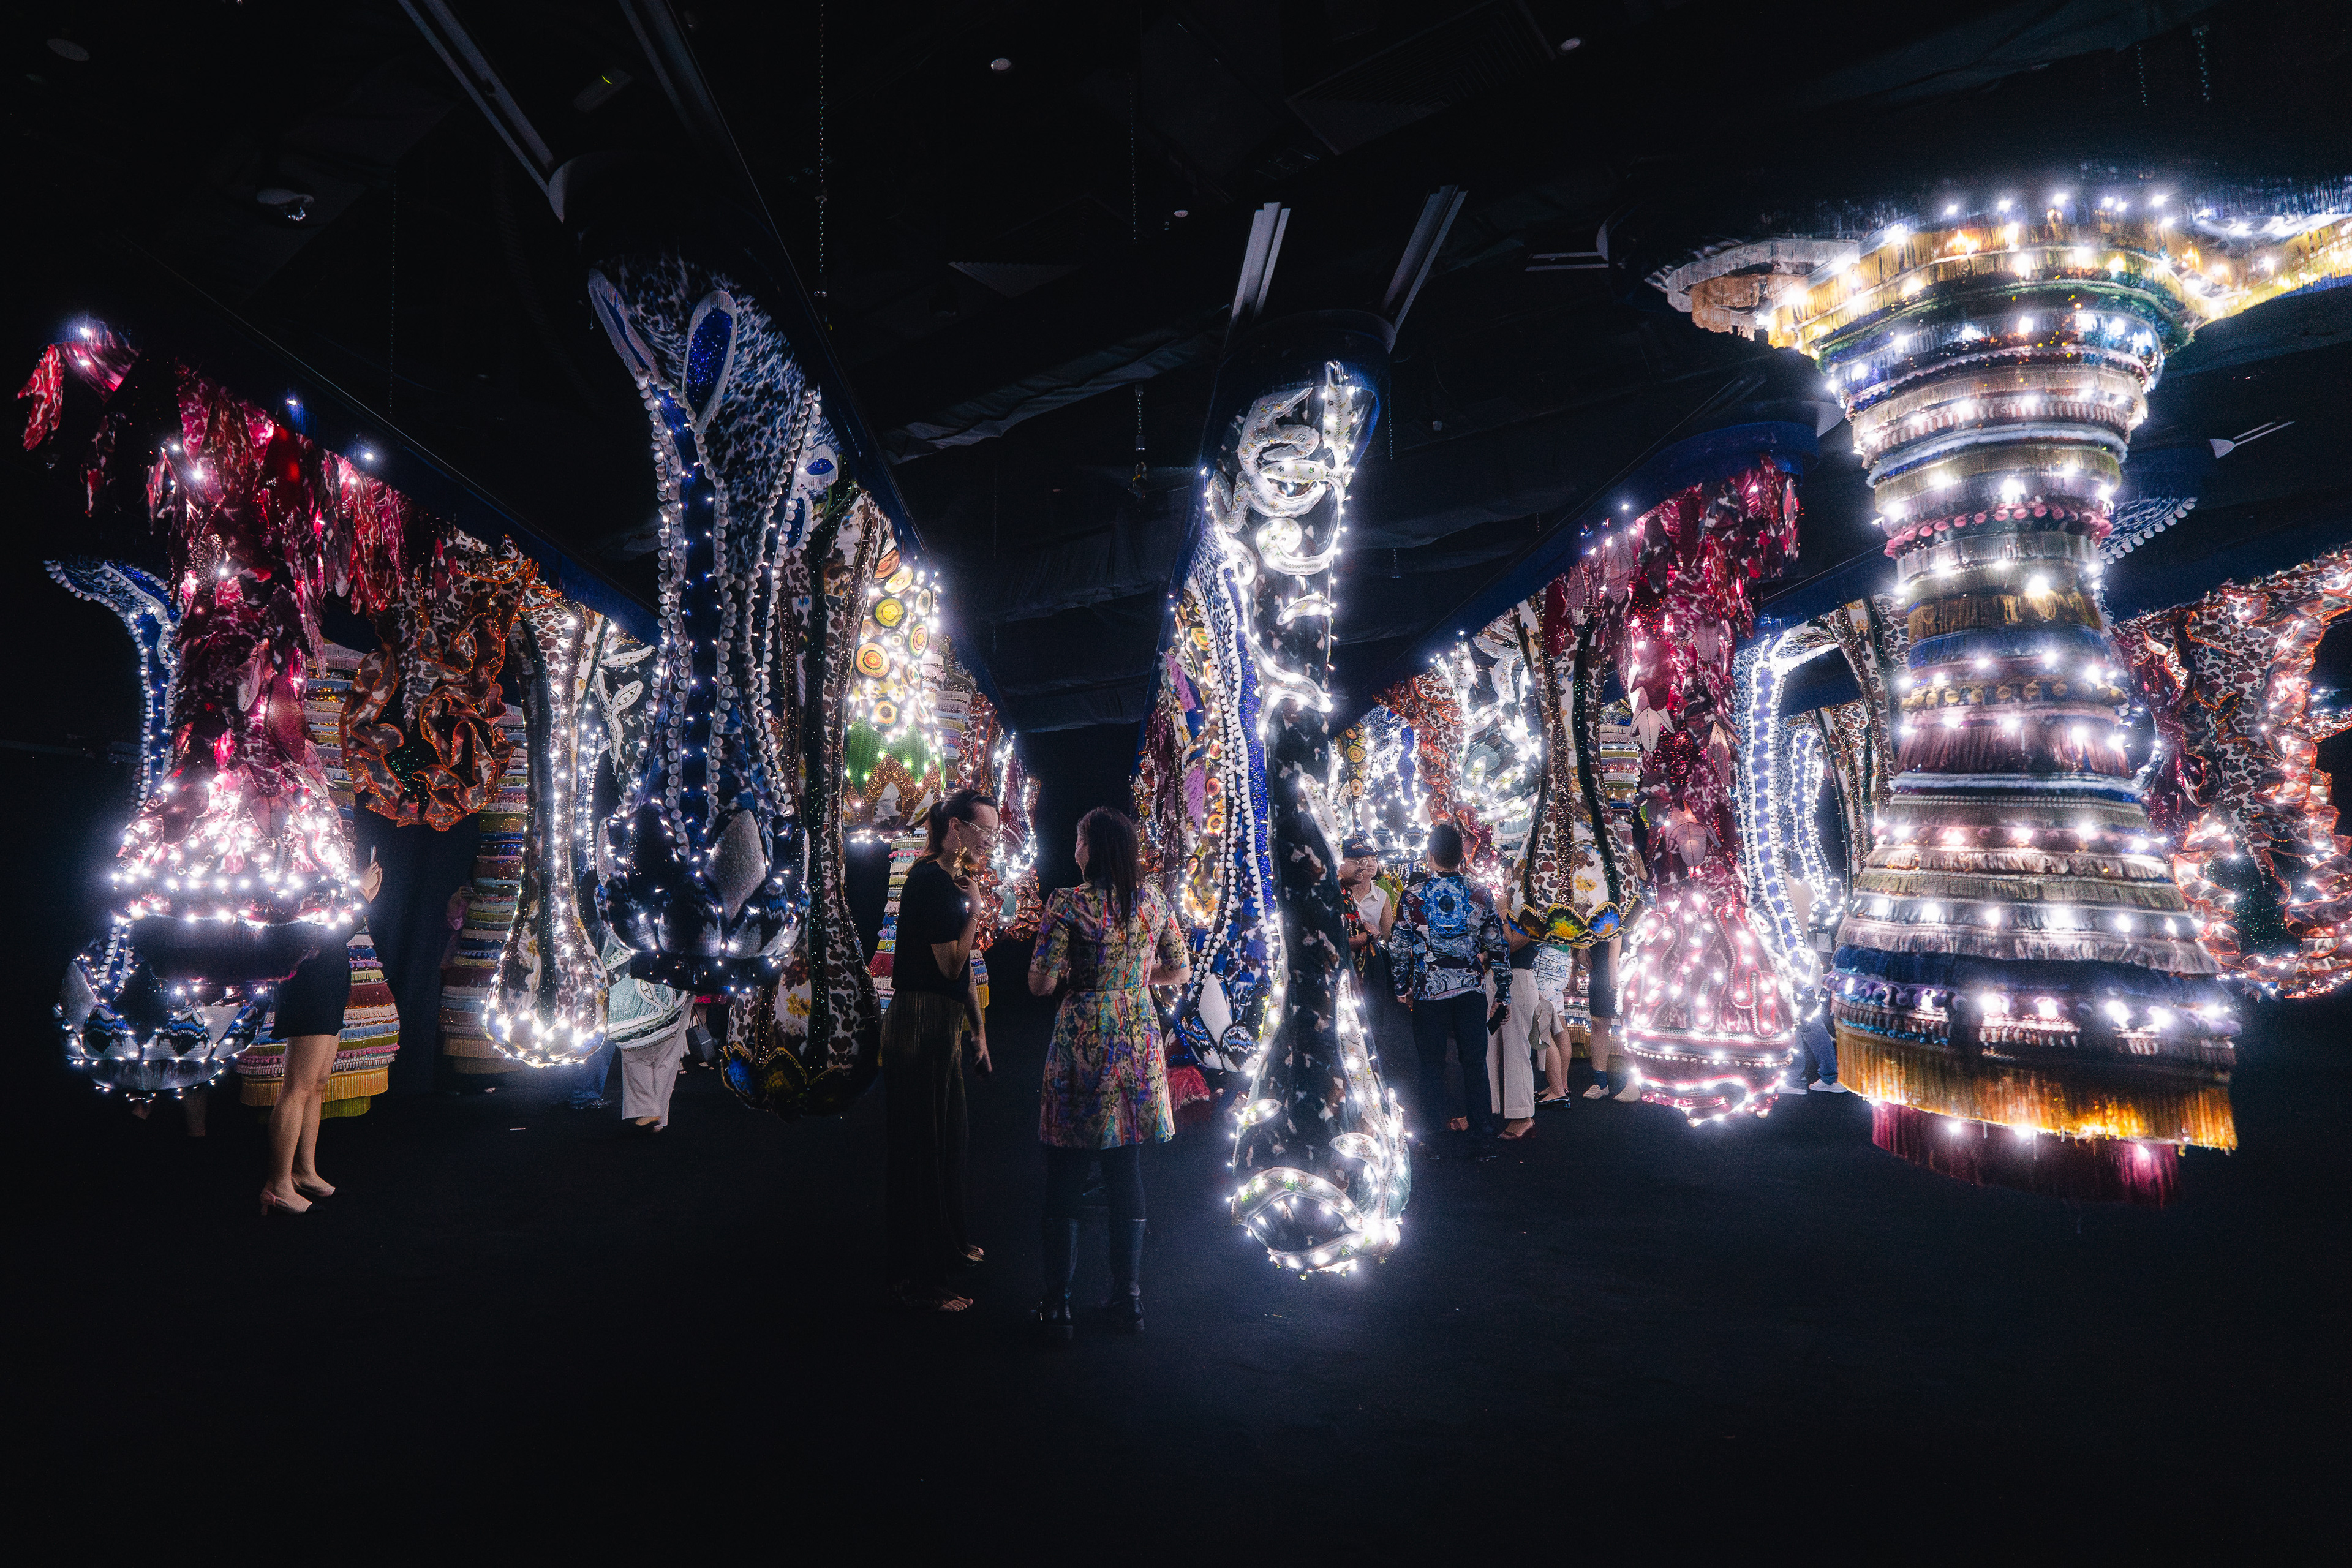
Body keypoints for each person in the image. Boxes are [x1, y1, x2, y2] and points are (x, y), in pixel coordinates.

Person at [1027, 807, 1191, 1338]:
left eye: (1079, 840)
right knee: (1126, 1168)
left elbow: (1040, 984)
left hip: (1084, 1037)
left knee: (1067, 1169)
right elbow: (1181, 969)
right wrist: (1137, 978)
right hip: (1137, 1035)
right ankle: (1129, 1300)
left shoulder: (1068, 903)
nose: (1074, 849)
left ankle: (1058, 1307)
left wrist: (1082, 975)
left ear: (1091, 848)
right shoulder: (1152, 900)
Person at [882, 788, 999, 1313]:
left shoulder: (952, 881)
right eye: (984, 831)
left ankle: (947, 1247)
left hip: (942, 1026)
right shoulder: (930, 880)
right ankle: (917, 1280)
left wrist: (979, 1034)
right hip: (919, 1024)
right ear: (957, 827)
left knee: (949, 1143)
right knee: (921, 1152)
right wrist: (974, 913)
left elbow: (965, 971)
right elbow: (951, 965)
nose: (990, 840)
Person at [259, 851, 385, 1215]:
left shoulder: (323, 874)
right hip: (310, 981)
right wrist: (360, 896)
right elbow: (322, 933)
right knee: (298, 1086)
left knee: (317, 1083)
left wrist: (359, 895)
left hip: (329, 978)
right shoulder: (298, 875)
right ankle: (277, 1184)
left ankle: (304, 1171)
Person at [1386, 822, 1512, 1140]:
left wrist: (1401, 987)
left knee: (1431, 1067)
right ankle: (1484, 1137)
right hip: (1471, 992)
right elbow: (1498, 946)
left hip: (1428, 993)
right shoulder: (1481, 892)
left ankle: (1433, 1140)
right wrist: (1504, 993)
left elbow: (1398, 947)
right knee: (1475, 1064)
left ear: (1430, 856)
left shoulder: (1413, 895)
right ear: (1461, 856)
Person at [1577, 936, 1638, 1100]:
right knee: (1599, 1023)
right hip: (1600, 960)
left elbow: (1617, 931)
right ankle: (1600, 1083)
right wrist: (1582, 948)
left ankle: (1634, 1083)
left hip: (1624, 960)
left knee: (1629, 1024)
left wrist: (1613, 970)